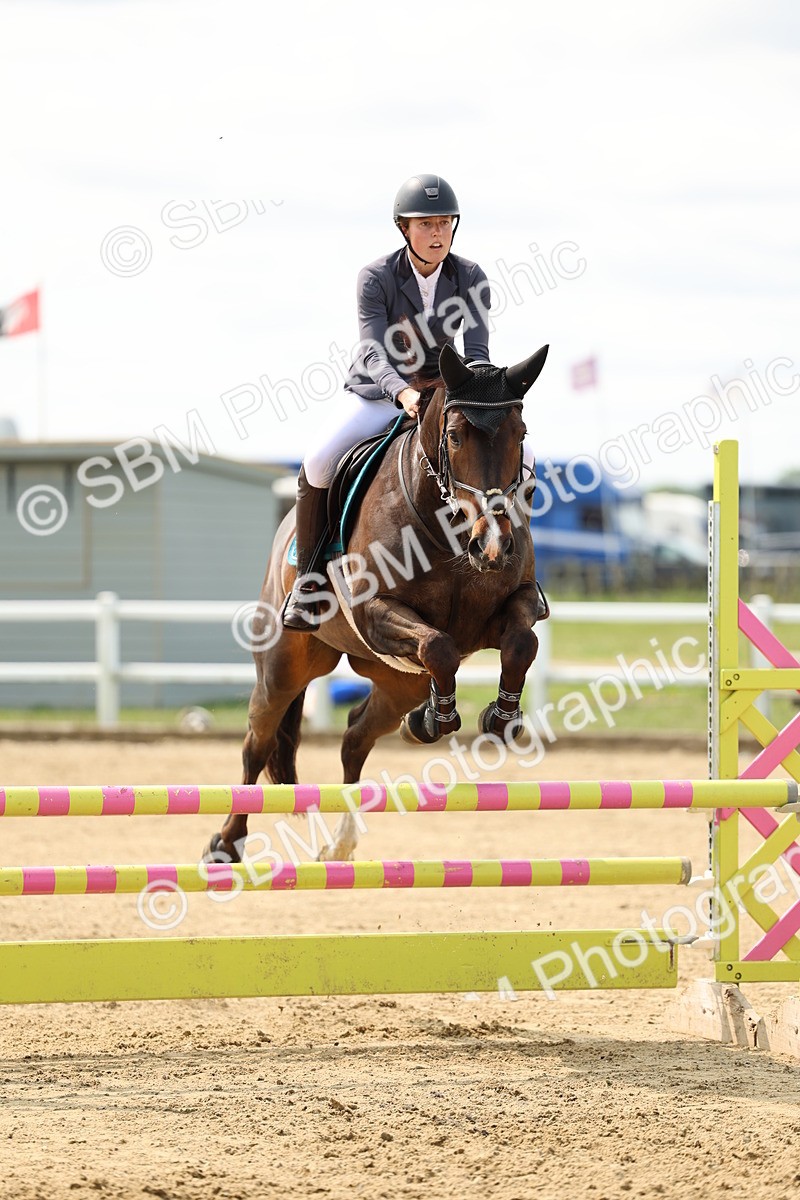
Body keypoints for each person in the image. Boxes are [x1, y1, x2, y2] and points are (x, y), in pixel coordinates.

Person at [283, 172, 536, 630]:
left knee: (526, 457)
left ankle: (522, 575)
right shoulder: (376, 278)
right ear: (404, 228)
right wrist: (400, 391)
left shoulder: (470, 276)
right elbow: (371, 348)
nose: (437, 233)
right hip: (378, 392)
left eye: (444, 223)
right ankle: (308, 581)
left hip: (443, 395)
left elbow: (476, 354)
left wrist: (479, 397)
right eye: (426, 224)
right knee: (318, 461)